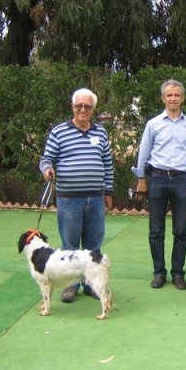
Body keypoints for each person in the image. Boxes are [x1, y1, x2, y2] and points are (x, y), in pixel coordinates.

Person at [39, 88, 114, 303]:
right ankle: (70, 286)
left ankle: (92, 284)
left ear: (93, 109)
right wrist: (47, 170)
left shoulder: (101, 132)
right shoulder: (59, 131)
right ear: (72, 107)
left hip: (96, 198)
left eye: (87, 106)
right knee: (69, 246)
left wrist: (108, 191)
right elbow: (46, 159)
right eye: (79, 105)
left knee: (93, 246)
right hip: (69, 198)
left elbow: (108, 164)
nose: (83, 109)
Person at [132, 79, 186, 290]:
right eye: (169, 95)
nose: (173, 98)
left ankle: (178, 273)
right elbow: (144, 153)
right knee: (156, 230)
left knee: (181, 230)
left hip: (182, 179)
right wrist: (142, 180)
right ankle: (159, 272)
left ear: (183, 98)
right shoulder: (153, 124)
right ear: (163, 98)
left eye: (177, 95)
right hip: (157, 179)